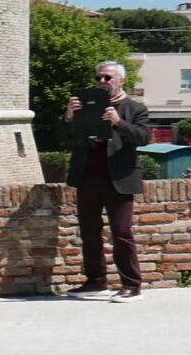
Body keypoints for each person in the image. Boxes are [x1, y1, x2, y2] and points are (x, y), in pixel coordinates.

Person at [65, 60, 152, 300]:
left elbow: (144, 137)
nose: (102, 82)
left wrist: (118, 122)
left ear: (121, 81)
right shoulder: (85, 106)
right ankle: (96, 281)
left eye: (108, 78)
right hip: (88, 178)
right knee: (89, 232)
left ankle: (132, 285)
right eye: (99, 78)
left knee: (122, 232)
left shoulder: (134, 109)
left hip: (119, 179)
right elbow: (63, 138)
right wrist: (70, 115)